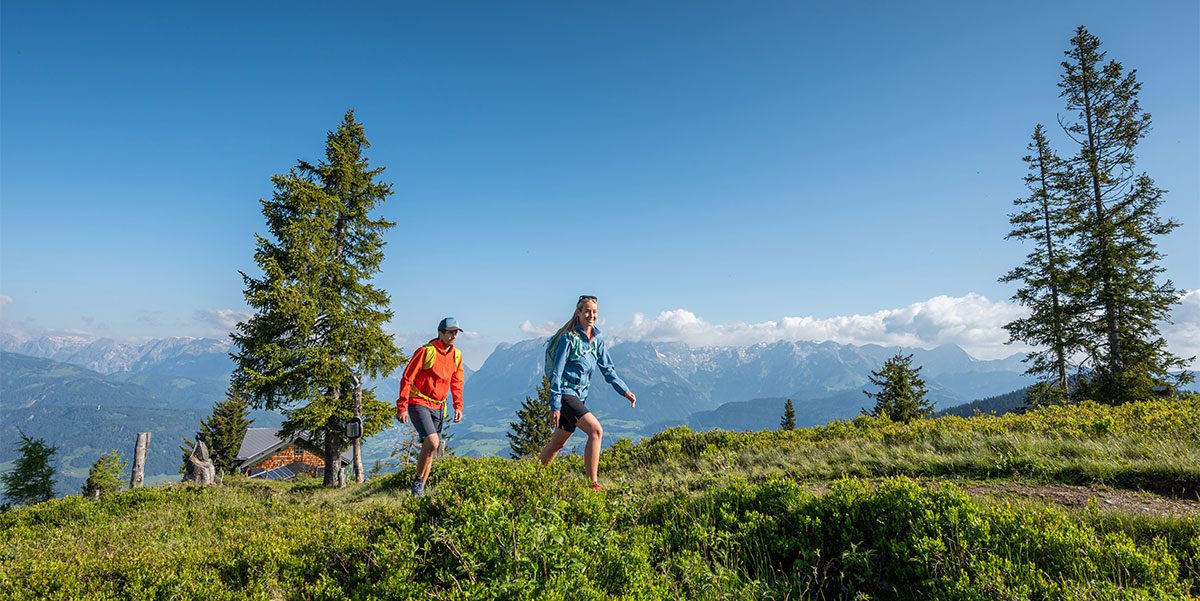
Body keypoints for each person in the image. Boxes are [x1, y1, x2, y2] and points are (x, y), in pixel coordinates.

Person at [538, 295, 637, 490]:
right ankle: (592, 484)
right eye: (587, 311)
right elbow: (557, 374)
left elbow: (608, 370)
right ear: (579, 313)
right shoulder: (569, 338)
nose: (591, 315)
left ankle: (534, 477)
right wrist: (555, 405)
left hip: (578, 396)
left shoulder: (597, 340)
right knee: (596, 430)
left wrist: (624, 390)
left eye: (595, 312)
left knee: (558, 443)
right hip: (565, 394)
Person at [396, 317, 465, 497]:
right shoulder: (426, 351)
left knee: (432, 448)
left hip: (439, 407)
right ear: (440, 333)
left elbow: (457, 381)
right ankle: (418, 482)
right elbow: (407, 378)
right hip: (419, 402)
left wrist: (458, 405)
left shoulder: (456, 355)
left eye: (456, 332)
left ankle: (419, 491)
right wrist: (402, 406)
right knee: (433, 442)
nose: (453, 335)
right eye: (450, 332)